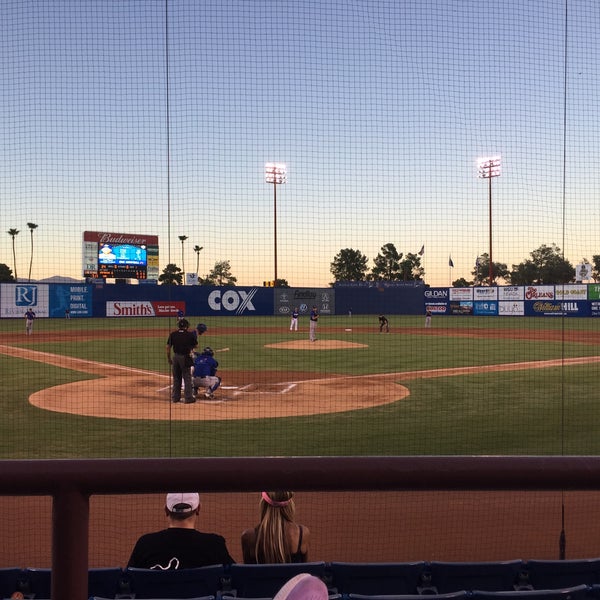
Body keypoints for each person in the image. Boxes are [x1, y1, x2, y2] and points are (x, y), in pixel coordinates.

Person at [127, 492, 235, 570]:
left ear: (166, 510)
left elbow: (128, 581)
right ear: (198, 509)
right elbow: (238, 578)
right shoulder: (214, 545)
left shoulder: (145, 544)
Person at [241, 491, 310, 564]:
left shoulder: (248, 536)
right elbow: (304, 572)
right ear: (290, 505)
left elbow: (248, 572)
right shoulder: (303, 534)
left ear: (263, 504)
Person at [166, 319, 198, 404]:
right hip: (185, 357)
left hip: (175, 357)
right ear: (186, 326)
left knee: (176, 377)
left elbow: (168, 347)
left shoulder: (173, 334)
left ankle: (175, 398)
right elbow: (196, 345)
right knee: (187, 377)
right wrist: (190, 347)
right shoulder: (189, 335)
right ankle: (188, 398)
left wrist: (169, 358)